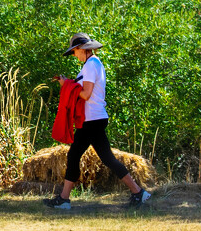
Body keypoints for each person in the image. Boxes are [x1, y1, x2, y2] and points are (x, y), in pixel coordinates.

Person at [44, 33, 151, 210]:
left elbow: (85, 94)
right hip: (93, 119)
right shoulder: (91, 64)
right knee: (83, 156)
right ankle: (64, 199)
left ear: (81, 49)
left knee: (97, 157)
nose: (74, 55)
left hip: (92, 119)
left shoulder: (91, 65)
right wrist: (69, 83)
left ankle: (138, 192)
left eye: (74, 52)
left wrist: (67, 86)